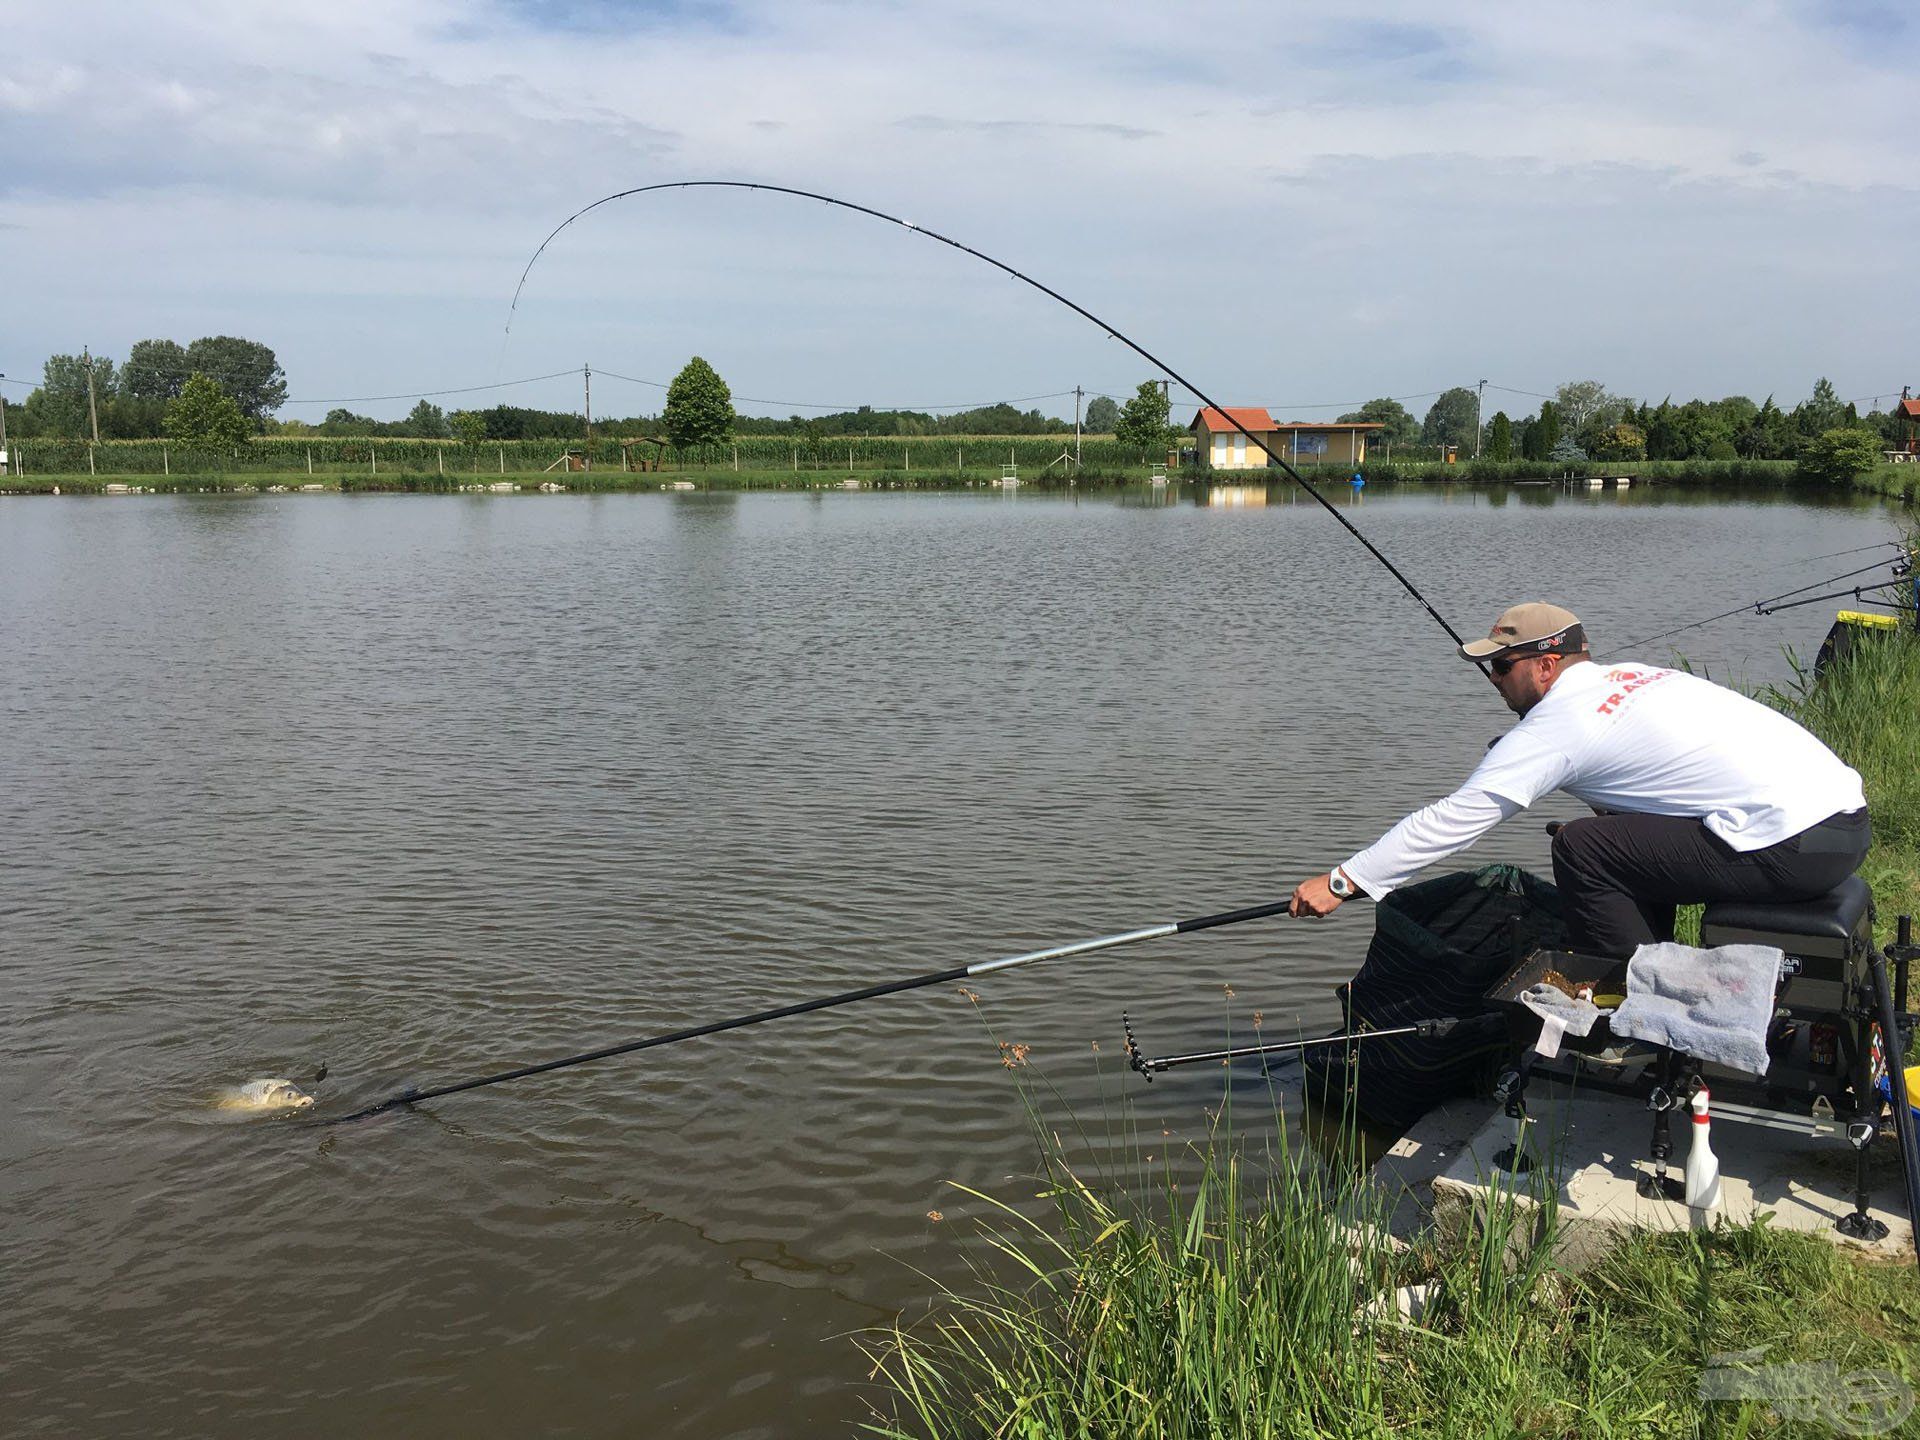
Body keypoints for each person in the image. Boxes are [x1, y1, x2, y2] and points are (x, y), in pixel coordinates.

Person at [1287, 602, 1871, 955]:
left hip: (1790, 846)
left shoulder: (1558, 725)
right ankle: (1649, 958)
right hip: (1843, 825)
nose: (1492, 678)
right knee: (1617, 831)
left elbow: (1457, 819)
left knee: (1582, 848)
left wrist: (1345, 881)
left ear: (1546, 665)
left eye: (1501, 664)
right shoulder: (1632, 678)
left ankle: (1633, 999)